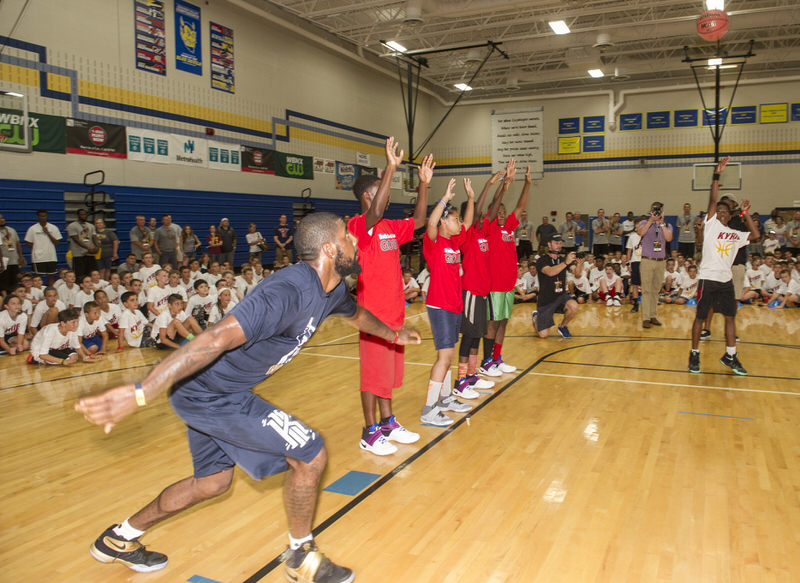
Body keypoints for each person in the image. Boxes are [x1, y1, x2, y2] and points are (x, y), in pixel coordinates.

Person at [75, 212, 419, 581]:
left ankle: (120, 538)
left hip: (210, 392)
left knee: (212, 483)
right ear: (330, 249)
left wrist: (393, 334)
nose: (356, 241)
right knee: (310, 452)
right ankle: (301, 557)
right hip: (211, 393)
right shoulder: (285, 292)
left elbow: (356, 315)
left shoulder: (332, 289)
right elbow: (215, 338)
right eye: (349, 236)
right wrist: (142, 393)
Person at [348, 138, 429, 456]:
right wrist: (391, 167)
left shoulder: (390, 227)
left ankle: (387, 423)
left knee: (386, 376)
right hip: (372, 315)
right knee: (372, 376)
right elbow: (376, 210)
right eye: (382, 188)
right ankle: (369, 432)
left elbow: (420, 221)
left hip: (394, 313)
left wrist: (423, 185)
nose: (388, 192)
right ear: (369, 195)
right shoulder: (359, 225)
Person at [689, 157, 758, 375]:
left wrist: (746, 214)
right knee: (700, 317)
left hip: (725, 280)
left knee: (730, 318)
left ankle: (730, 355)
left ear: (730, 215)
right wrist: (717, 175)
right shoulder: (710, 226)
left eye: (723, 212)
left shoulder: (736, 234)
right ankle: (694, 354)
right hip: (708, 279)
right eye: (717, 211)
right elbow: (712, 198)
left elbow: (755, 235)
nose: (720, 213)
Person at [421, 178, 474, 427]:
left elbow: (470, 222)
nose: (460, 223)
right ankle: (429, 410)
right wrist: (444, 199)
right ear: (444, 221)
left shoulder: (454, 242)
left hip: (454, 305)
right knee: (444, 357)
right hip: (439, 306)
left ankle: (445, 398)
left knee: (448, 356)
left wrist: (471, 199)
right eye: (455, 219)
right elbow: (430, 223)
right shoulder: (434, 243)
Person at [479, 161, 530, 376]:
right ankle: (486, 360)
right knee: (492, 322)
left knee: (503, 322)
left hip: (509, 285)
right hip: (494, 286)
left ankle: (497, 358)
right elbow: (494, 203)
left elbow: (519, 207)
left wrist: (527, 183)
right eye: (497, 211)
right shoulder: (488, 228)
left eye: (503, 211)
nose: (501, 213)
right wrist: (503, 184)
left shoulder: (509, 226)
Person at [532, 234, 579, 338]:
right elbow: (550, 272)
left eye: (560, 243)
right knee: (543, 335)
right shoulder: (542, 260)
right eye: (556, 243)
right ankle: (536, 318)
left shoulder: (563, 259)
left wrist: (579, 263)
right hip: (546, 300)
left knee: (573, 305)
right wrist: (566, 262)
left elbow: (577, 273)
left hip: (561, 297)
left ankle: (562, 327)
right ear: (549, 244)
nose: (559, 245)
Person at [637, 201, 673, 328]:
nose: (657, 212)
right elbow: (641, 233)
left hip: (661, 261)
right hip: (647, 260)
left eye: (659, 210)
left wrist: (661, 223)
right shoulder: (643, 223)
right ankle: (645, 318)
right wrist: (651, 220)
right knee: (646, 290)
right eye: (654, 210)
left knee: (656, 290)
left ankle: (653, 315)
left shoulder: (667, 225)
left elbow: (669, 238)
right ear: (650, 210)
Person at [28, 308, 99, 365]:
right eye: (73, 322)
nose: (76, 325)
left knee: (74, 357)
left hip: (58, 347)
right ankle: (34, 358)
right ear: (63, 323)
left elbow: (77, 346)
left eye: (77, 321)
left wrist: (85, 357)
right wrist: (62, 361)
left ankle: (56, 358)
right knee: (66, 360)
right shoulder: (50, 331)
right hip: (41, 350)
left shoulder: (72, 329)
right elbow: (42, 355)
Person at [25, 209, 63, 286]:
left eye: (45, 216)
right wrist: (38, 248)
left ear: (47, 216)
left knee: (51, 276)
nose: (43, 217)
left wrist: (48, 233)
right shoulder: (32, 228)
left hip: (51, 257)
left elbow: (57, 243)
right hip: (38, 258)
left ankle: (50, 292)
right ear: (38, 217)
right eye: (41, 216)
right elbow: (28, 243)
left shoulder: (53, 227)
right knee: (38, 277)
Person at [67, 209, 98, 281]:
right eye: (81, 214)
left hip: (90, 254)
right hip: (78, 254)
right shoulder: (72, 226)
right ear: (78, 215)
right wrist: (87, 248)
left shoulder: (91, 226)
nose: (84, 216)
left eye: (85, 214)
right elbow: (76, 239)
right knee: (80, 275)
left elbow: (94, 237)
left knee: (91, 273)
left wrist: (97, 247)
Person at [0, 213, 25, 293]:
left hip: (14, 260)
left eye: (2, 218)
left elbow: (18, 244)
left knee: (15, 281)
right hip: (4, 262)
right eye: (0, 219)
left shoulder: (11, 230)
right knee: (4, 282)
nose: (2, 220)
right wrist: (1, 262)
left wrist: (20, 256)